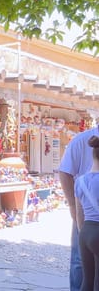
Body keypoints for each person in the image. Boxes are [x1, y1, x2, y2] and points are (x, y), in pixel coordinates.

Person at [59, 123, 99, 291]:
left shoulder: (82, 181)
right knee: (78, 263)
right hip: (85, 213)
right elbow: (65, 172)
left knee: (87, 273)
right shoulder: (80, 141)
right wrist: (73, 209)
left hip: (86, 218)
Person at [74, 135, 99, 291]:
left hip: (85, 232)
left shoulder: (80, 181)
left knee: (87, 280)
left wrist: (83, 233)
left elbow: (79, 214)